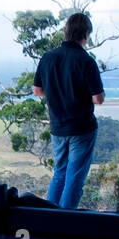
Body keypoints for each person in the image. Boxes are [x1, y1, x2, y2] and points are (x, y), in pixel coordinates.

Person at [32, 12, 105, 209]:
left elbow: (37, 90)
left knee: (60, 173)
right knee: (75, 178)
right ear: (87, 34)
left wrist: (59, 93)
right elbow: (98, 99)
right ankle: (65, 223)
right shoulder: (86, 60)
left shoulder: (48, 57)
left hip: (58, 127)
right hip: (81, 128)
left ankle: (49, 219)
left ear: (66, 32)